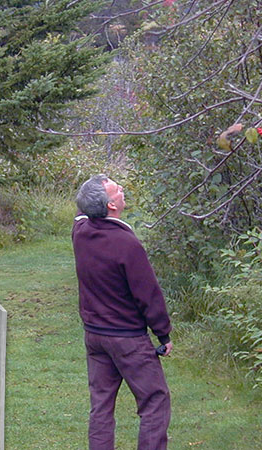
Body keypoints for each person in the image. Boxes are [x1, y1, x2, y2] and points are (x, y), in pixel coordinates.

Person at [72, 174, 173, 450]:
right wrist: (163, 335)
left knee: (101, 406)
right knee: (155, 401)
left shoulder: (80, 232)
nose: (123, 192)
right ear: (110, 206)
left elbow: (82, 211)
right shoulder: (127, 244)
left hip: (95, 336)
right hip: (127, 338)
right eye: (118, 191)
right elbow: (148, 294)